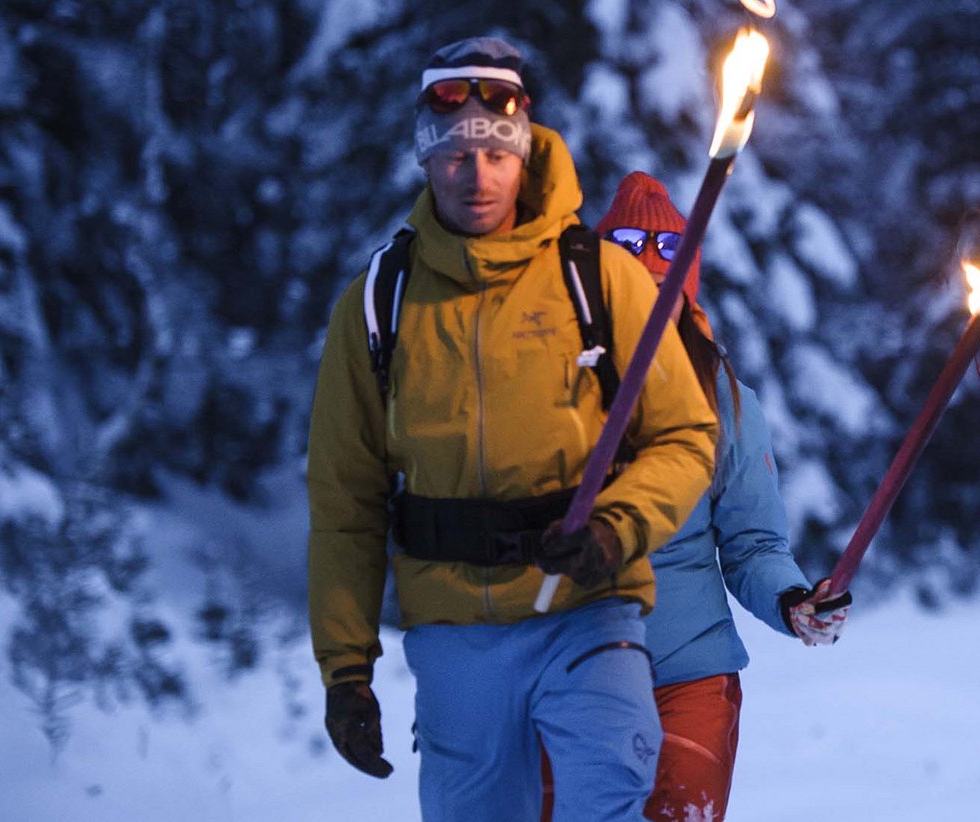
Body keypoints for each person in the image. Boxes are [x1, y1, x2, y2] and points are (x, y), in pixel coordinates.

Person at [306, 39, 719, 822]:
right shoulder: (379, 302)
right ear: (427, 161)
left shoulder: (598, 279)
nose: (477, 174)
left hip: (588, 609)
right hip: (454, 627)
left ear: (523, 155)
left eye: (496, 154)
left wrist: (615, 527)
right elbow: (344, 500)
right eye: (456, 155)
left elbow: (686, 436)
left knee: (609, 793)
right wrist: (345, 670)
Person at [557, 171, 852, 822]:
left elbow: (753, 543)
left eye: (669, 247)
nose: (647, 258)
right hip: (565, 676)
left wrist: (793, 601)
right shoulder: (550, 377)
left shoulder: (724, 397)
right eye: (628, 242)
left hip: (686, 676)